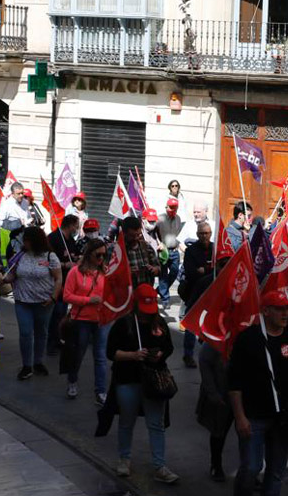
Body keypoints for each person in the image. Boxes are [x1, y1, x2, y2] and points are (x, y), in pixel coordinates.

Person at [229, 290, 288, 496]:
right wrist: (240, 416)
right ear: (265, 311)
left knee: (276, 471)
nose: (285, 313)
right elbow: (234, 381)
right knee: (251, 468)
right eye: (279, 309)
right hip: (254, 416)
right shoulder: (248, 339)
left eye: (286, 308)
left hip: (283, 417)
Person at [106, 284, 178, 483]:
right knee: (126, 421)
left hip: (154, 380)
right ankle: (124, 459)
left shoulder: (160, 323)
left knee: (156, 423)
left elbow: (169, 347)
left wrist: (160, 355)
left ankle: (159, 465)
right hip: (128, 379)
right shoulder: (124, 324)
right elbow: (111, 352)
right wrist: (133, 355)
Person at [4, 227, 63, 381]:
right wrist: (4, 279)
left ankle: (38, 362)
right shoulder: (20, 256)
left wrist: (54, 297)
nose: (25, 243)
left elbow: (58, 278)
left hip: (44, 302)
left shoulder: (50, 257)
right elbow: (12, 274)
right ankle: (26, 365)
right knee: (25, 333)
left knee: (41, 333)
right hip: (22, 301)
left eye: (27, 241)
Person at [62, 239, 110, 405]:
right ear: (89, 254)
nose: (101, 258)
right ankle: (72, 381)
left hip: (101, 320)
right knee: (78, 354)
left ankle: (101, 390)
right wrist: (88, 300)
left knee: (100, 357)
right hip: (81, 320)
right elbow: (66, 296)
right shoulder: (75, 272)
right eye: (98, 255)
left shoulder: (106, 272)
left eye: (104, 255)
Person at [196, 340, 233, 482]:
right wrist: (213, 393)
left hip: (242, 392)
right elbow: (204, 362)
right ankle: (216, 464)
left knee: (248, 434)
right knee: (219, 431)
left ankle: (248, 470)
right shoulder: (216, 338)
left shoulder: (247, 332)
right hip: (221, 392)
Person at [179, 221, 213, 367]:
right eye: (202, 233)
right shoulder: (191, 251)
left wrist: (203, 270)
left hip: (211, 292)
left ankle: (209, 354)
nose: (205, 236)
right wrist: (208, 269)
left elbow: (219, 268)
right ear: (197, 234)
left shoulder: (215, 249)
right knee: (190, 323)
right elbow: (191, 272)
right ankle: (188, 355)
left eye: (207, 233)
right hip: (194, 292)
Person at [48, 214, 81, 357]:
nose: (77, 228)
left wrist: (76, 259)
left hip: (67, 281)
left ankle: (56, 339)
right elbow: (47, 260)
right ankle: (50, 343)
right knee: (55, 314)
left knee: (61, 314)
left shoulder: (71, 241)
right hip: (55, 281)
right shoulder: (54, 238)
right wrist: (64, 264)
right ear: (70, 225)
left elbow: (73, 255)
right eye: (76, 225)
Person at [156, 198, 185, 309]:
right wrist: (158, 243)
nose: (171, 209)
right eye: (169, 207)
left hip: (174, 251)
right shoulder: (160, 218)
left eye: (174, 207)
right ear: (166, 207)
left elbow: (178, 234)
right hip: (163, 251)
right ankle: (165, 299)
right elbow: (153, 231)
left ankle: (160, 290)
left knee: (175, 272)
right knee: (163, 275)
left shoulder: (178, 219)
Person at [121, 215, 160, 288]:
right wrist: (127, 272)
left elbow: (158, 267)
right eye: (132, 236)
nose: (136, 238)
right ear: (124, 233)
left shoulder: (146, 247)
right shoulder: (117, 251)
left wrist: (154, 269)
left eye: (138, 235)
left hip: (146, 293)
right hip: (126, 294)